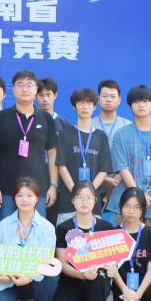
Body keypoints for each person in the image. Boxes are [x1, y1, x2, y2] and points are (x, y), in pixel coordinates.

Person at [104, 85, 151, 241]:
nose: (141, 105)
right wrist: (137, 197)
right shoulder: (121, 135)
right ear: (130, 105)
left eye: (145, 101)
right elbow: (122, 168)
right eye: (136, 102)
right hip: (126, 203)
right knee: (123, 249)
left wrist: (149, 194)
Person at [0, 178, 59, 301]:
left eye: (29, 196)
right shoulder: (3, 226)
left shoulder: (47, 228)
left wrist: (29, 278)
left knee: (52, 276)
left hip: (34, 280)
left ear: (37, 198)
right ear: (14, 198)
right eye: (20, 196)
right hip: (8, 279)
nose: (24, 200)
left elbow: (46, 261)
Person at [0, 70, 58, 223]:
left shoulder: (46, 118)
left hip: (38, 189)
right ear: (13, 89)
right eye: (20, 85)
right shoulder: (1, 118)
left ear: (36, 89)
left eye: (29, 85)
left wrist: (53, 185)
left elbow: (52, 154)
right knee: (5, 234)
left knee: (37, 233)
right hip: (5, 189)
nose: (25, 89)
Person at [50, 182, 116, 301]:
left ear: (95, 201)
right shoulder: (63, 228)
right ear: (73, 200)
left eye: (89, 198)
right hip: (72, 280)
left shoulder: (106, 227)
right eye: (80, 197)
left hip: (97, 282)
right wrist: (82, 274)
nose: (84, 202)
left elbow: (112, 260)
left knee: (98, 274)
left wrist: (113, 269)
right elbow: (62, 264)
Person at [54, 88, 112, 224]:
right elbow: (61, 166)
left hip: (93, 204)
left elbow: (104, 170)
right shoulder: (65, 134)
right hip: (68, 202)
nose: (85, 107)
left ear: (94, 107)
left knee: (92, 236)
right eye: (81, 103)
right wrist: (76, 193)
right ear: (74, 107)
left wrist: (89, 193)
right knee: (67, 236)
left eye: (88, 103)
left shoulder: (101, 137)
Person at [93, 79, 131, 206]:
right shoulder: (89, 124)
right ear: (98, 99)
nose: (108, 99)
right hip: (94, 182)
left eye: (112, 96)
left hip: (122, 182)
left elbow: (132, 157)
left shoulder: (128, 125)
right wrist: (103, 179)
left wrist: (117, 179)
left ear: (119, 100)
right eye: (104, 96)